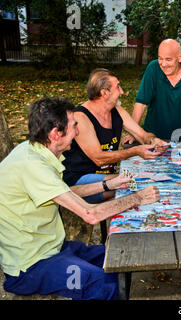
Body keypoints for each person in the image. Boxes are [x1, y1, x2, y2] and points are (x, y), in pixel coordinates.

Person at [0, 97, 161, 300]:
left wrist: (108, 184)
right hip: (31, 267)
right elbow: (91, 214)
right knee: (106, 284)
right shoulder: (33, 166)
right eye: (74, 126)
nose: (78, 131)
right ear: (56, 134)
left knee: (121, 259)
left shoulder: (35, 151)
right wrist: (137, 198)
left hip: (54, 249)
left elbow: (63, 193)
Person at [62, 68, 166, 204]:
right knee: (136, 186)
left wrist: (153, 140)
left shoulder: (117, 111)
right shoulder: (81, 117)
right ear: (104, 93)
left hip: (108, 178)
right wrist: (134, 151)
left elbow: (142, 135)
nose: (122, 91)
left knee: (143, 183)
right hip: (80, 180)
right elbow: (98, 158)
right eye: (118, 87)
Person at [125, 38, 181, 142]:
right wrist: (133, 133)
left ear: (179, 57)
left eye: (168, 59)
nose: (163, 64)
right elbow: (141, 103)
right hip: (155, 137)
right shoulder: (153, 68)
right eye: (160, 58)